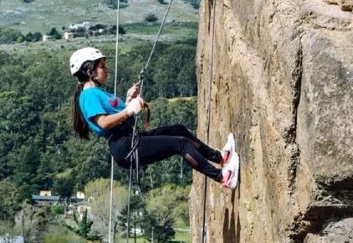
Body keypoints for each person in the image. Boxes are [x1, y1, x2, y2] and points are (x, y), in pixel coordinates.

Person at [69, 47, 238, 188]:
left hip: (128, 140)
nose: (106, 70)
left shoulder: (97, 92)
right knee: (180, 144)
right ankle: (222, 177)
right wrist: (129, 111)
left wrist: (128, 100)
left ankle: (219, 157)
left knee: (177, 130)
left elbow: (115, 114)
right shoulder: (89, 95)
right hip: (124, 146)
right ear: (90, 71)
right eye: (102, 67)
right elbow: (104, 122)